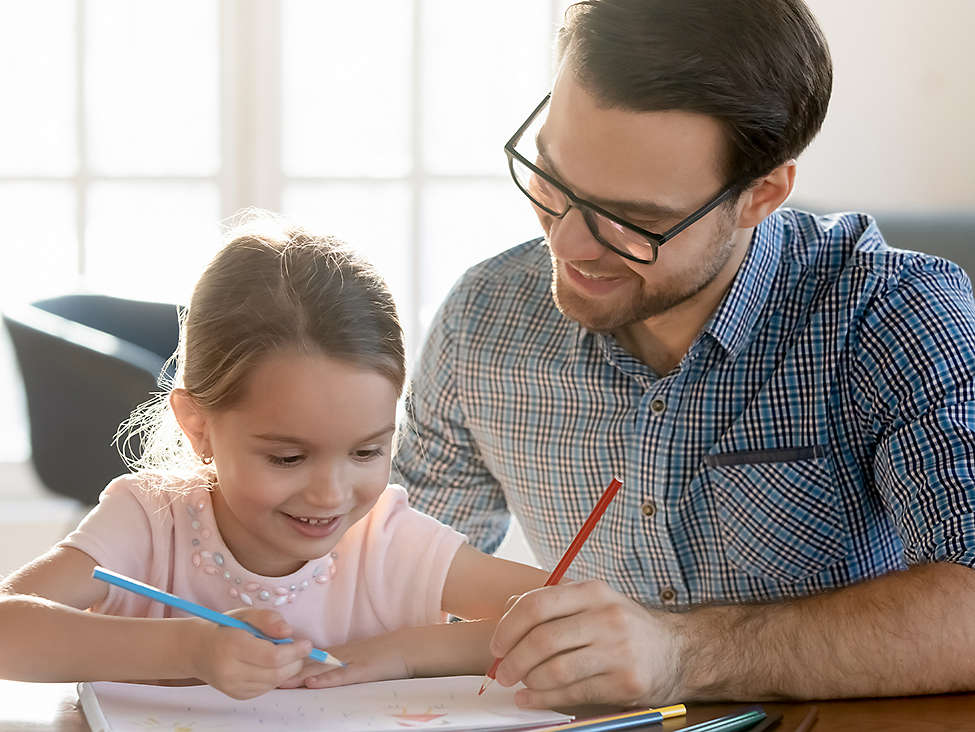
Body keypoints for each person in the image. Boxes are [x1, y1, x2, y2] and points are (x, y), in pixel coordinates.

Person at [392, 0, 975, 709]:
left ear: (761, 194)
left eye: (635, 221)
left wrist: (681, 653)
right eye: (550, 178)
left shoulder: (890, 315)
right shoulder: (480, 323)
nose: (567, 245)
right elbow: (393, 580)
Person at [0, 215, 546, 700]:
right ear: (199, 426)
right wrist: (189, 648)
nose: (331, 494)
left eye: (367, 451)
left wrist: (403, 652)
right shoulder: (149, 522)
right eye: (287, 458)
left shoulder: (388, 543)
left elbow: (565, 616)